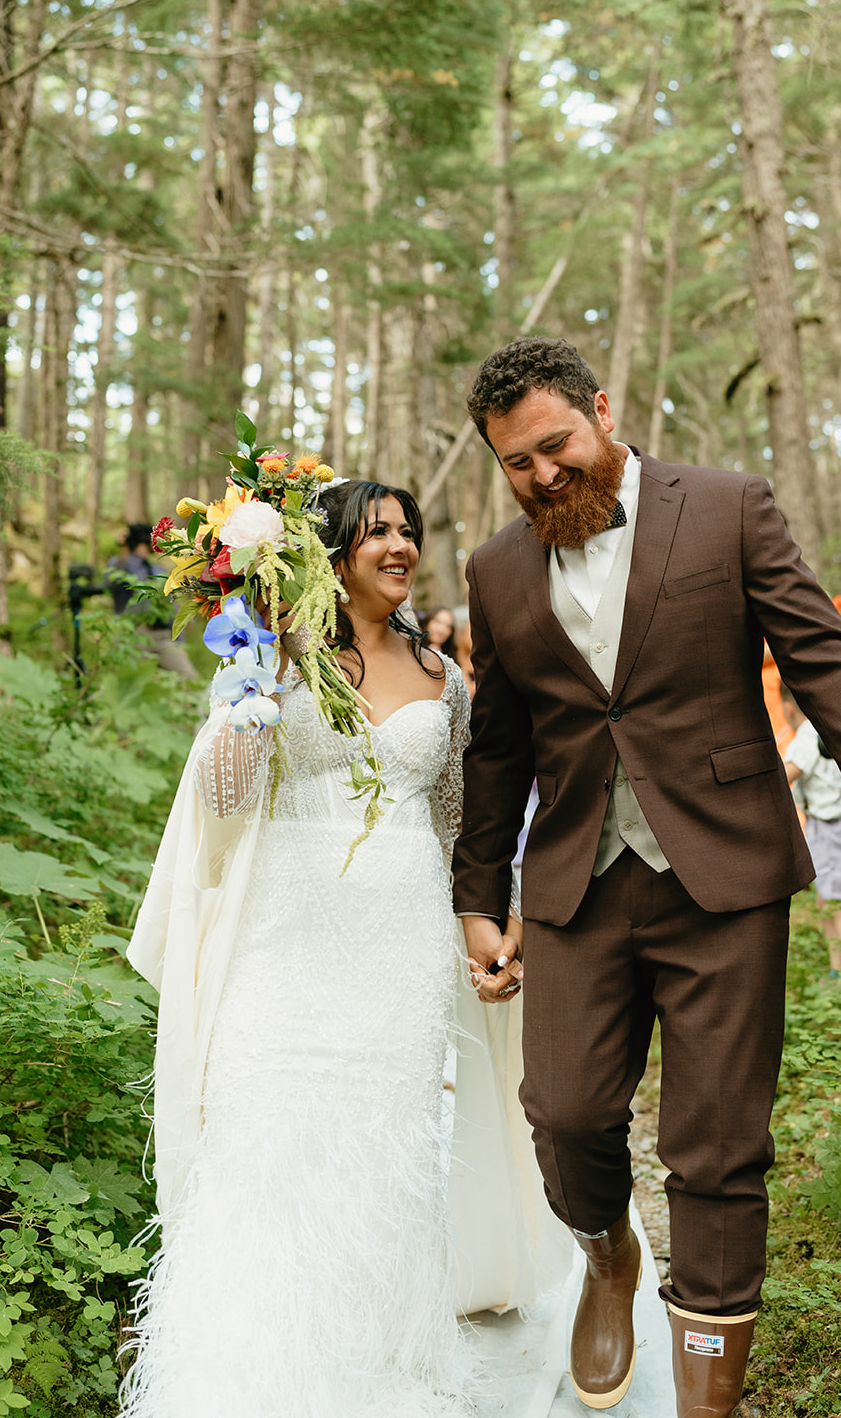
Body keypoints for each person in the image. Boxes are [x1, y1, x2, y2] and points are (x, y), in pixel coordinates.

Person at [452, 337, 841, 1418]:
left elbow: (826, 666)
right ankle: (607, 1254)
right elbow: (496, 746)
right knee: (564, 1113)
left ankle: (704, 1401)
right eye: (516, 463)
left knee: (717, 1145)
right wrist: (478, 896)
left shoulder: (727, 508)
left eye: (555, 445)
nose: (542, 474)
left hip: (723, 873)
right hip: (575, 883)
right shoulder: (495, 570)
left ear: (601, 410)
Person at [122, 479, 568, 1418]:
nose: (400, 546)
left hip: (400, 938)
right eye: (376, 532)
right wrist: (258, 672)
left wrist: (490, 921)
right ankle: (244, 1374)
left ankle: (378, 1365)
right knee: (264, 1133)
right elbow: (223, 800)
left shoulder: (443, 677)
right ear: (328, 556)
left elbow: (458, 821)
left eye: (408, 531)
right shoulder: (272, 656)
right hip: (281, 933)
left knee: (386, 1143)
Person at [779, 684, 841, 973]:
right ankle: (837, 969)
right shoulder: (824, 729)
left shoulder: (807, 736)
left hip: (835, 830)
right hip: (827, 828)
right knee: (825, 902)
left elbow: (785, 775)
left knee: (836, 905)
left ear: (788, 708)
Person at [107, 524, 198, 679]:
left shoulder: (157, 570)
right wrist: (124, 546)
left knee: (189, 678)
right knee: (135, 683)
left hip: (162, 635)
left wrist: (179, 642)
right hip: (135, 635)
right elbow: (110, 583)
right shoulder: (120, 565)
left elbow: (172, 606)